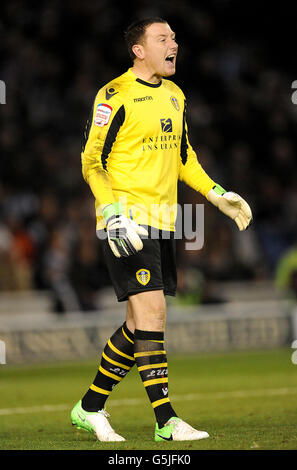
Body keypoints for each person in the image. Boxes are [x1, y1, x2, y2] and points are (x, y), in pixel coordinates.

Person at [70, 17, 252, 442]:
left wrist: (216, 193)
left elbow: (184, 157)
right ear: (139, 49)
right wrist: (112, 211)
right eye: (163, 38)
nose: (174, 43)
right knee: (154, 315)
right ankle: (166, 422)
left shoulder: (175, 95)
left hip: (165, 221)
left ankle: (90, 407)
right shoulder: (114, 96)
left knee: (138, 325)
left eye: (174, 38)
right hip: (125, 222)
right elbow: (91, 162)